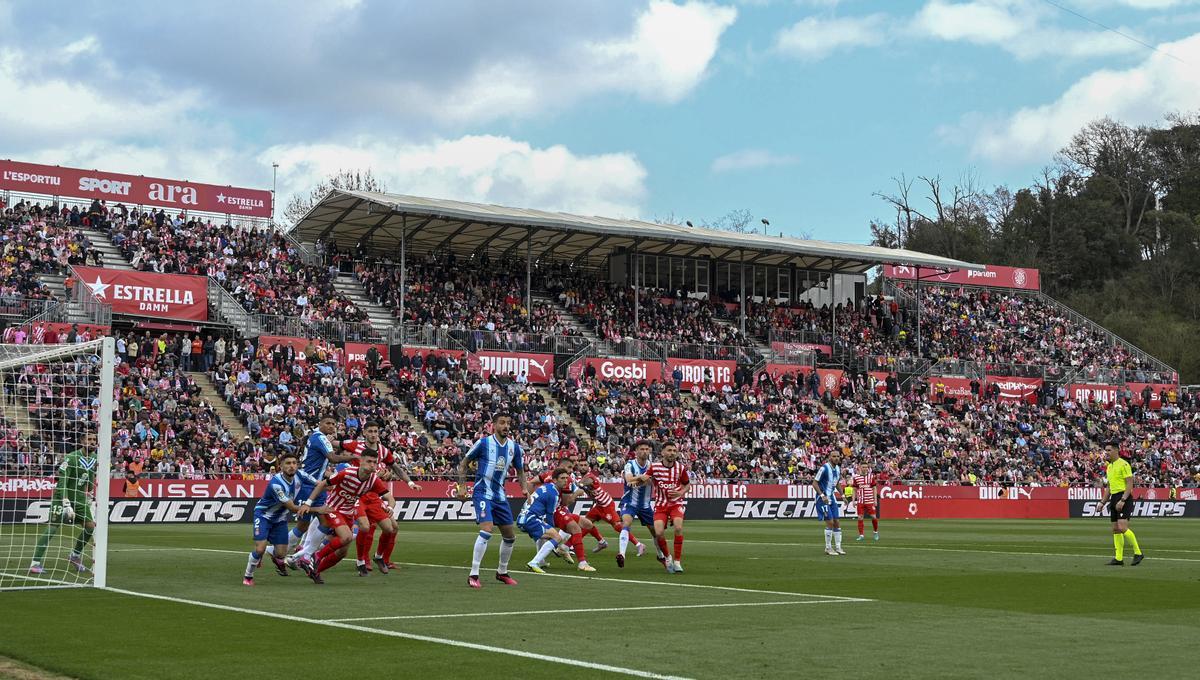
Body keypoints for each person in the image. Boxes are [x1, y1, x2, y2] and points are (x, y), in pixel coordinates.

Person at [455, 412, 530, 589]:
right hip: (482, 492)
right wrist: (462, 486)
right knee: (487, 529)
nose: (506, 426)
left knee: (510, 537)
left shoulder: (514, 447)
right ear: (493, 425)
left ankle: (502, 572)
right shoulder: (484, 443)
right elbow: (464, 463)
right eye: (502, 423)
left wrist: (524, 488)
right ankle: (473, 574)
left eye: (508, 423)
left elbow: (520, 471)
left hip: (500, 496)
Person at [297, 449, 395, 584]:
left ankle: (315, 570)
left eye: (374, 462)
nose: (372, 465)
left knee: (342, 552)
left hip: (348, 513)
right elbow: (323, 484)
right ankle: (315, 556)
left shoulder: (373, 480)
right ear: (361, 461)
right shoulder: (347, 473)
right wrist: (308, 503)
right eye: (369, 461)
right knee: (347, 536)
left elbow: (390, 497)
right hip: (333, 508)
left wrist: (389, 507)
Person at [341, 421, 422, 573]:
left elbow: (396, 468)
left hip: (374, 495)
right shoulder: (354, 446)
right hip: (357, 495)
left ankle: (380, 558)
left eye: (375, 431)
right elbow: (333, 446)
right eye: (370, 431)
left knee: (393, 528)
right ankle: (362, 560)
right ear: (364, 433)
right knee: (367, 527)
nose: (373, 434)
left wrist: (410, 483)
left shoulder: (383, 451)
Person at [288, 415, 355, 565]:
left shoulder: (316, 437)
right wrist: (355, 457)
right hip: (309, 485)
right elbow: (332, 458)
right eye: (328, 423)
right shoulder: (320, 437)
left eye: (334, 424)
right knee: (318, 521)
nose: (331, 426)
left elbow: (321, 461)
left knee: (316, 523)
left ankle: (302, 555)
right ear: (320, 424)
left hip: (312, 483)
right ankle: (283, 553)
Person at [30, 431, 98, 575]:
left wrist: (90, 493)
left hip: (79, 499)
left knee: (90, 527)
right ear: (82, 441)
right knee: (52, 529)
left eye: (94, 439)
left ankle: (74, 555)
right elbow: (62, 482)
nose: (92, 442)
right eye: (89, 439)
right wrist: (66, 503)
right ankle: (35, 563)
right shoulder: (71, 457)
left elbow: (90, 480)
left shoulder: (94, 458)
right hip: (62, 498)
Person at [244, 452, 317, 586]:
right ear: (281, 466)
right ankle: (248, 576)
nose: (292, 466)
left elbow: (319, 483)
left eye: (294, 463)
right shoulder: (276, 483)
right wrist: (317, 509)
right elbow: (292, 508)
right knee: (259, 548)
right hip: (264, 515)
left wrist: (331, 482)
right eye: (288, 463)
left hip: (280, 519)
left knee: (281, 554)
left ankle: (266, 553)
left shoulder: (300, 474)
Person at [518, 467, 575, 574]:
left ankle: (542, 561)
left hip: (523, 518)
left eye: (567, 478)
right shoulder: (554, 494)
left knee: (544, 535)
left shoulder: (547, 487)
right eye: (562, 478)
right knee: (557, 537)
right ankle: (534, 563)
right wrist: (553, 531)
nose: (565, 480)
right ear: (554, 480)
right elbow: (549, 516)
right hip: (531, 519)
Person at [647, 441, 691, 574]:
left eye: (674, 451)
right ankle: (667, 557)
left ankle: (677, 562)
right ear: (662, 452)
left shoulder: (680, 468)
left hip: (676, 503)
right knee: (659, 533)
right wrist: (633, 479)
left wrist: (680, 492)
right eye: (669, 450)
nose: (672, 453)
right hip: (660, 505)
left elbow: (687, 484)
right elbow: (646, 478)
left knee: (678, 527)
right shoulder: (654, 467)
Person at [1101, 444, 1144, 566]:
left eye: (1109, 450)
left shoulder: (1124, 464)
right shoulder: (1109, 466)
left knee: (1122, 526)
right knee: (1115, 529)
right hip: (1114, 497)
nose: (1107, 452)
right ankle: (1118, 558)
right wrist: (1102, 502)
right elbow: (1109, 487)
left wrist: (1123, 500)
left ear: (1116, 451)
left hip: (1123, 496)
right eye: (1106, 450)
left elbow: (1130, 483)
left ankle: (1138, 553)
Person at [617, 440, 655, 568]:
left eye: (646, 449)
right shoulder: (630, 464)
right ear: (636, 451)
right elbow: (628, 479)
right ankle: (622, 554)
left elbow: (650, 482)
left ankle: (662, 556)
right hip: (630, 502)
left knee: (656, 532)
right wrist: (642, 478)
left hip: (645, 505)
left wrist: (637, 480)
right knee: (626, 523)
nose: (645, 451)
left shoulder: (652, 466)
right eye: (642, 449)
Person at [814, 451, 845, 556]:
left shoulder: (837, 469)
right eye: (834, 456)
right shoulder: (824, 468)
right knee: (830, 522)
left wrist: (843, 495)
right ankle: (828, 547)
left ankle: (838, 547)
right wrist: (822, 496)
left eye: (838, 456)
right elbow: (814, 483)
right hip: (822, 499)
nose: (836, 458)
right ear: (829, 457)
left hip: (832, 498)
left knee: (837, 522)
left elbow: (837, 484)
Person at [849, 463, 880, 542]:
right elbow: (854, 490)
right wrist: (853, 500)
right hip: (860, 501)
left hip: (870, 500)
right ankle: (861, 535)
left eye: (866, 467)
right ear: (860, 468)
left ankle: (875, 532)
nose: (865, 468)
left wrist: (875, 500)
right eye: (863, 467)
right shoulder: (856, 478)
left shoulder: (871, 477)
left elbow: (874, 488)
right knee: (860, 517)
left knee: (873, 517)